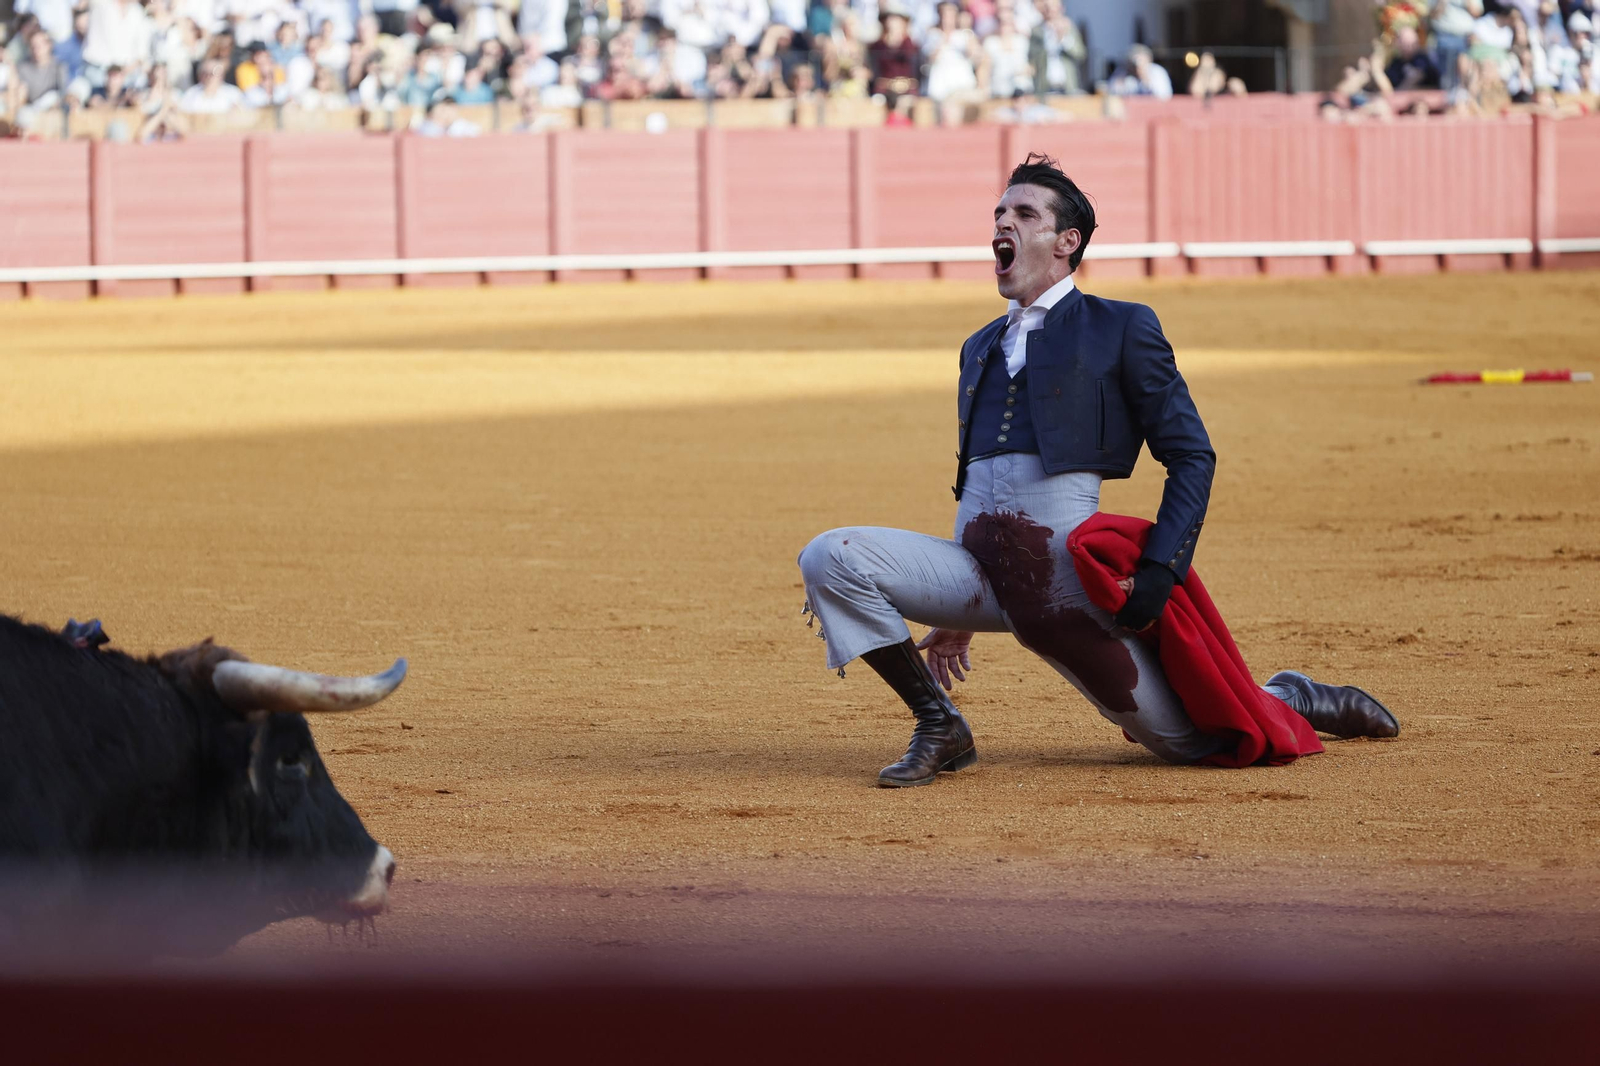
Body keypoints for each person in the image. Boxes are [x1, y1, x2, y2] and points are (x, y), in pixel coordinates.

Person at [796, 154, 1400, 787]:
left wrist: (1161, 568)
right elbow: (983, 481)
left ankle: (1291, 693)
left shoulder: (1121, 325)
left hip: (1066, 587)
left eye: (1025, 214)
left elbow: (1191, 455)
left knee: (1192, 743)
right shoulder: (977, 348)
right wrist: (953, 613)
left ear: (1066, 242)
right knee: (831, 557)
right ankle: (938, 720)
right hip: (981, 575)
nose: (1005, 223)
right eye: (1000, 213)